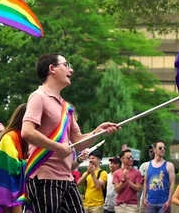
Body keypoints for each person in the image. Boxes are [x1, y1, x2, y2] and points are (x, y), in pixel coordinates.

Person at [21, 53, 118, 213]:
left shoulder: (67, 107)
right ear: (52, 68)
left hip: (66, 178)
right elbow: (27, 132)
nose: (71, 70)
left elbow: (78, 141)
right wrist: (58, 147)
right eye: (66, 65)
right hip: (44, 178)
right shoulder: (38, 97)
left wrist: (98, 132)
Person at [142, 141, 175, 213]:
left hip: (163, 203)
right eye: (160, 148)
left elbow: (172, 183)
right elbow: (146, 182)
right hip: (150, 203)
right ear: (154, 150)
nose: (163, 149)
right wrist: (144, 198)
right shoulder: (147, 165)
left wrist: (169, 201)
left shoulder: (169, 165)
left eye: (164, 148)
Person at [139, 145, 155, 212]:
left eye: (153, 151)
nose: (151, 153)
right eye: (150, 151)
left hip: (158, 199)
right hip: (145, 197)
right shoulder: (144, 165)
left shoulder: (165, 166)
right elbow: (139, 181)